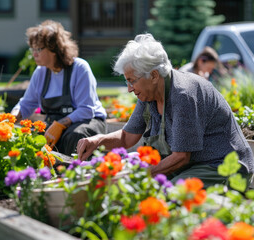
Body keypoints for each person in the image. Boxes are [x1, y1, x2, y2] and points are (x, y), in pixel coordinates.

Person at [77, 33, 254, 188]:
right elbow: (127, 137)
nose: (130, 88)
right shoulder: (148, 94)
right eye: (127, 82)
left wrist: (140, 177)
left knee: (165, 193)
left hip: (222, 166)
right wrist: (96, 140)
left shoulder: (183, 95)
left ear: (153, 75)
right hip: (190, 166)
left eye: (132, 81)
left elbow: (181, 157)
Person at [11, 20, 107, 156]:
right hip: (56, 124)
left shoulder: (79, 68)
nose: (34, 54)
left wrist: (59, 125)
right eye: (33, 49)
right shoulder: (40, 72)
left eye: (38, 49)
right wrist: (11, 118)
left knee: (75, 136)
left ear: (54, 49)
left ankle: (76, 173)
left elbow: (86, 110)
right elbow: (26, 103)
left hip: (87, 123)